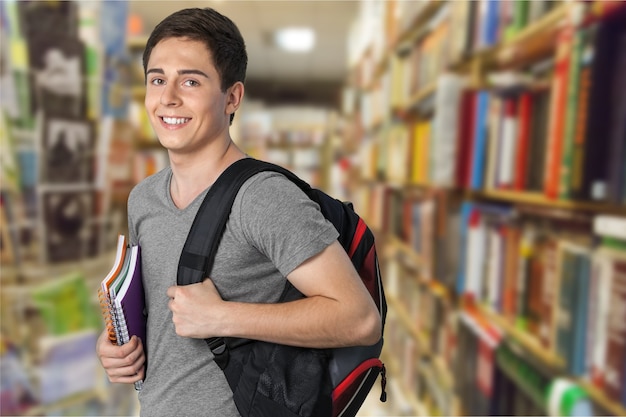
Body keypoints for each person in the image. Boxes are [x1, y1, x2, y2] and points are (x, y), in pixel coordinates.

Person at [95, 7, 381, 417]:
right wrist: (116, 346)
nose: (168, 98)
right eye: (157, 79)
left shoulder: (263, 198)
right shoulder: (143, 198)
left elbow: (358, 319)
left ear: (232, 97)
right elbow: (158, 315)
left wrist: (222, 316)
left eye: (190, 81)